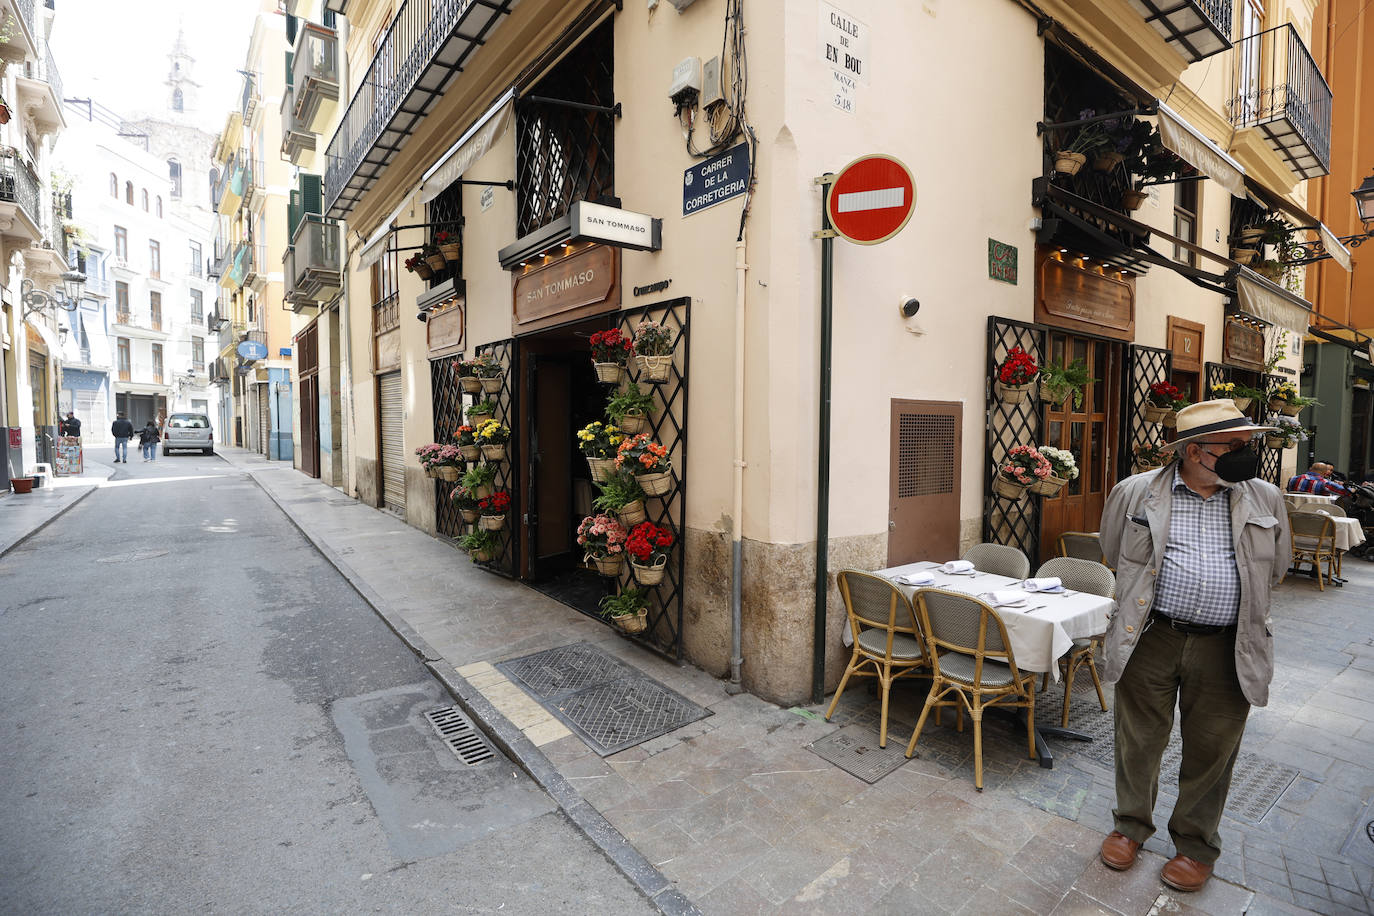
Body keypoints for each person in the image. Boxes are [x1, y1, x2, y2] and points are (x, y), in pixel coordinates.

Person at [1098, 400, 1290, 892]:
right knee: (1138, 738)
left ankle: (1195, 844)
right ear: (1192, 450)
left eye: (1246, 446)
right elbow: (1113, 548)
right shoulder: (1136, 493)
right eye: (1232, 447)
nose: (1243, 455)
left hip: (1229, 645)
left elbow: (1278, 567)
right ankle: (1130, 826)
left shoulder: (1265, 498)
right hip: (1151, 635)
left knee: (1213, 748)